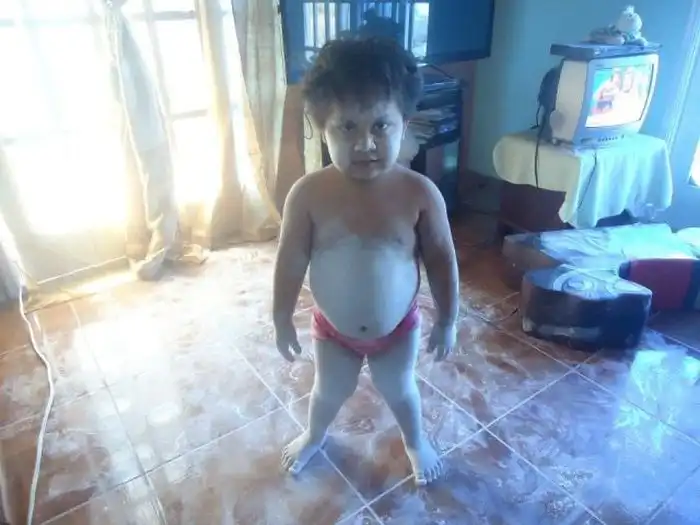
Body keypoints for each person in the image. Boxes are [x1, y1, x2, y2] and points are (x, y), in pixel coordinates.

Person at [272, 37, 459, 486]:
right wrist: (280, 318)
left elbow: (442, 260)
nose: (365, 143)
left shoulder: (419, 194)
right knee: (327, 392)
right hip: (333, 332)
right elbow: (290, 259)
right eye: (347, 128)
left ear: (404, 125)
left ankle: (416, 441)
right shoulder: (308, 195)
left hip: (397, 331)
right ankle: (314, 435)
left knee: (401, 391)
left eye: (380, 126)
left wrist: (447, 320)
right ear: (321, 127)